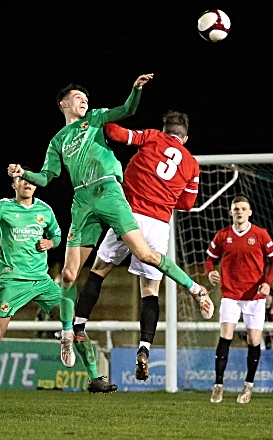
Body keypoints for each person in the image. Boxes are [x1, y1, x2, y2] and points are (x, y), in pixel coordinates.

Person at [7, 75, 211, 368]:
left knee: (134, 258)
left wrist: (135, 90)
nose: (84, 101)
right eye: (78, 97)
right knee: (68, 273)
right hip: (84, 201)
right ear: (64, 103)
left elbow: (125, 112)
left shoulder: (97, 118)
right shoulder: (57, 141)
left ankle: (193, 288)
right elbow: (46, 177)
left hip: (110, 192)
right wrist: (23, 174)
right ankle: (68, 331)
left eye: (85, 98)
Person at [0, 171, 116, 412]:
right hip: (12, 282)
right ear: (14, 185)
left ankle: (94, 378)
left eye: (31, 181)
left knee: (74, 324)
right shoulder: (3, 208)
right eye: (23, 181)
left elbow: (58, 235)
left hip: (41, 282)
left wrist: (50, 243)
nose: (28, 184)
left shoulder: (44, 210)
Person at [70, 111, 202, 382]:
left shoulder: (153, 137)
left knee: (99, 270)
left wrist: (101, 118)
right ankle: (144, 348)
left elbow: (116, 134)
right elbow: (188, 204)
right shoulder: (191, 164)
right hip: (159, 224)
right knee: (150, 290)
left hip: (129, 214)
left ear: (165, 130)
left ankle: (79, 325)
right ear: (185, 138)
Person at [206, 196, 273, 404]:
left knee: (254, 341)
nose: (239, 211)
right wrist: (210, 272)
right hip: (230, 294)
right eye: (236, 208)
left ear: (250, 212)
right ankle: (218, 386)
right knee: (225, 336)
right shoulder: (223, 236)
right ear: (231, 212)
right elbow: (210, 259)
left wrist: (268, 283)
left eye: (243, 208)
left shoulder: (260, 234)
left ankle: (248, 386)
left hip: (255, 297)